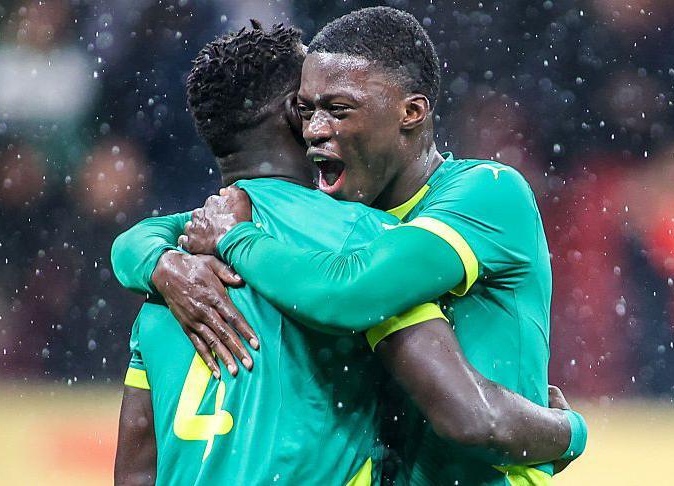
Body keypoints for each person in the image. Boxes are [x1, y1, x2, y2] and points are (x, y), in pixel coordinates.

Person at [113, 20, 585, 486]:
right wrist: (161, 263)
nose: (315, 129)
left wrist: (571, 432)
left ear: (412, 112)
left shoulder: (486, 192)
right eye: (306, 110)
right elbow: (158, 232)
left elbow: (351, 291)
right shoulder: (335, 220)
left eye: (338, 109)